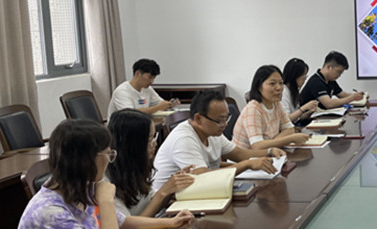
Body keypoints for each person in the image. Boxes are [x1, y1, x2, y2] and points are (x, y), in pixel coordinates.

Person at [13, 119, 193, 229]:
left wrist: (170, 222)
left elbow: (121, 222)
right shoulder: (50, 212)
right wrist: (106, 201)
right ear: (88, 159)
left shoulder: (80, 187)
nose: (109, 160)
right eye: (108, 153)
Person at [152, 91, 280, 191]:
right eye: (220, 120)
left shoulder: (212, 132)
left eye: (226, 118)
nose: (224, 124)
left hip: (194, 193)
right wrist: (246, 164)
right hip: (168, 204)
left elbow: (240, 154)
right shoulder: (184, 139)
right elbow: (204, 178)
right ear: (198, 118)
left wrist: (269, 152)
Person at [106, 109, 195, 217]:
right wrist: (164, 192)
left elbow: (150, 202)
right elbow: (129, 225)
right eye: (150, 140)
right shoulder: (107, 181)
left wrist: (173, 187)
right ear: (132, 145)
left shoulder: (135, 167)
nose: (155, 143)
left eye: (154, 137)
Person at [232, 65, 309, 151]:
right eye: (272, 83)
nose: (279, 88)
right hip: (247, 157)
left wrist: (272, 144)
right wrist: (290, 139)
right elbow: (257, 146)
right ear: (259, 87)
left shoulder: (276, 104)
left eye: (281, 83)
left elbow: (289, 129)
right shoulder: (253, 108)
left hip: (268, 153)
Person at [107, 58, 179, 117]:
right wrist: (158, 108)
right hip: (122, 128)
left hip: (141, 125)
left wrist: (169, 104)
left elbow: (160, 103)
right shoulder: (122, 91)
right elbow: (130, 115)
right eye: (149, 77)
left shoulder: (147, 89)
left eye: (153, 78)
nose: (152, 81)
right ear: (137, 74)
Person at [299, 51, 365, 109]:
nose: (339, 75)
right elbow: (329, 104)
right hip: (309, 117)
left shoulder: (330, 80)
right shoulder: (316, 82)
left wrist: (361, 96)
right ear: (328, 67)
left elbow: (343, 95)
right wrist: (352, 98)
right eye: (339, 72)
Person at [281, 58, 319, 123]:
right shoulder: (283, 92)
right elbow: (287, 119)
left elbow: (297, 118)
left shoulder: (294, 91)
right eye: (303, 77)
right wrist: (304, 108)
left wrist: (310, 112)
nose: (304, 80)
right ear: (294, 76)